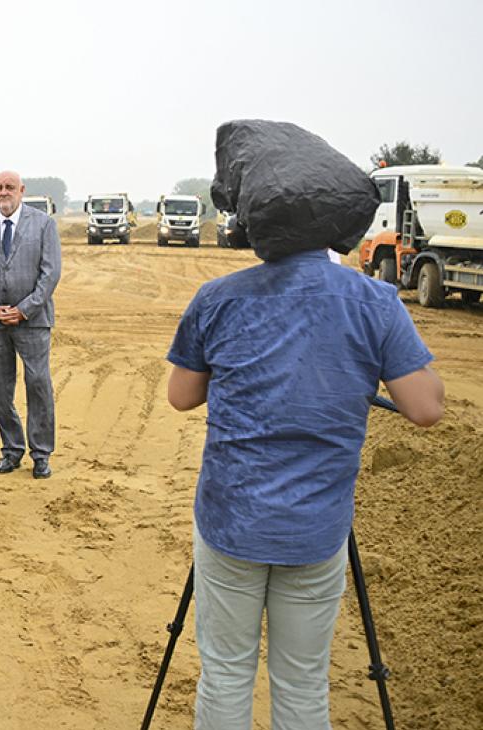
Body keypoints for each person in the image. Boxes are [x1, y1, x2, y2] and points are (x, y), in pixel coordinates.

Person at [167, 124, 445, 728]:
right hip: (316, 530)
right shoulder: (375, 302)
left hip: (231, 521)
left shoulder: (218, 298)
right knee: (301, 685)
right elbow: (425, 407)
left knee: (225, 671)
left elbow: (181, 396)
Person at [0, 171, 61, 479]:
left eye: (10, 187)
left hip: (33, 321)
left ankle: (41, 453)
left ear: (22, 191)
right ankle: (11, 449)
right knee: (0, 389)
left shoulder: (44, 224)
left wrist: (23, 310)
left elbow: (50, 275)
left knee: (38, 384)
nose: (4, 192)